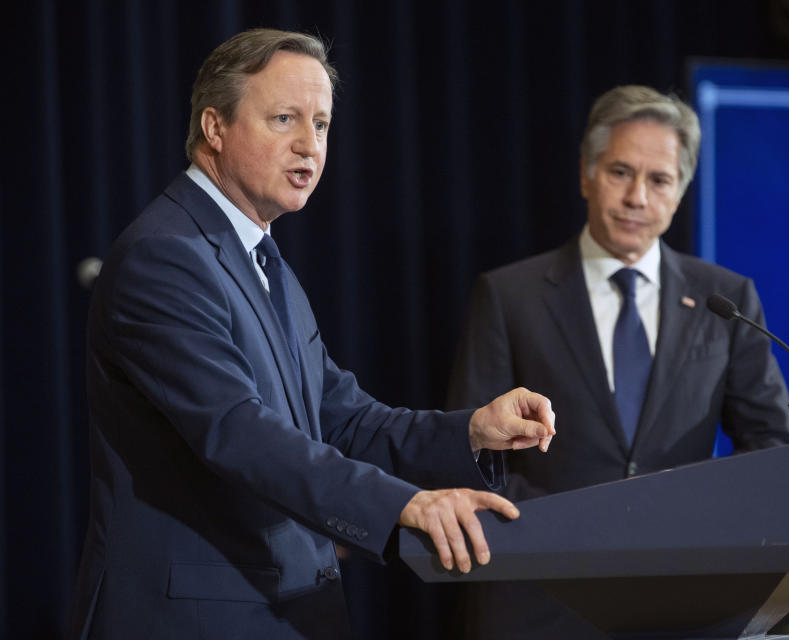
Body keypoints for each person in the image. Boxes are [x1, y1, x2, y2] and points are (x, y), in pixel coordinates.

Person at [69, 28, 555, 640]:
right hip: (194, 617)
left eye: (321, 124)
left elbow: (341, 418)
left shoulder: (263, 262)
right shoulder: (163, 257)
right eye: (284, 119)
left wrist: (470, 431)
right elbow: (238, 432)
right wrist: (402, 504)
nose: (309, 146)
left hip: (281, 611)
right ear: (214, 128)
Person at [446, 85, 789, 638]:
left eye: (659, 180)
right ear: (586, 174)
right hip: (545, 597)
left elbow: (770, 447)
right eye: (620, 173)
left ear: (679, 193)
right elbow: (471, 456)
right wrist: (579, 529)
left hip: (689, 600)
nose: (637, 196)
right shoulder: (510, 296)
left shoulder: (725, 300)